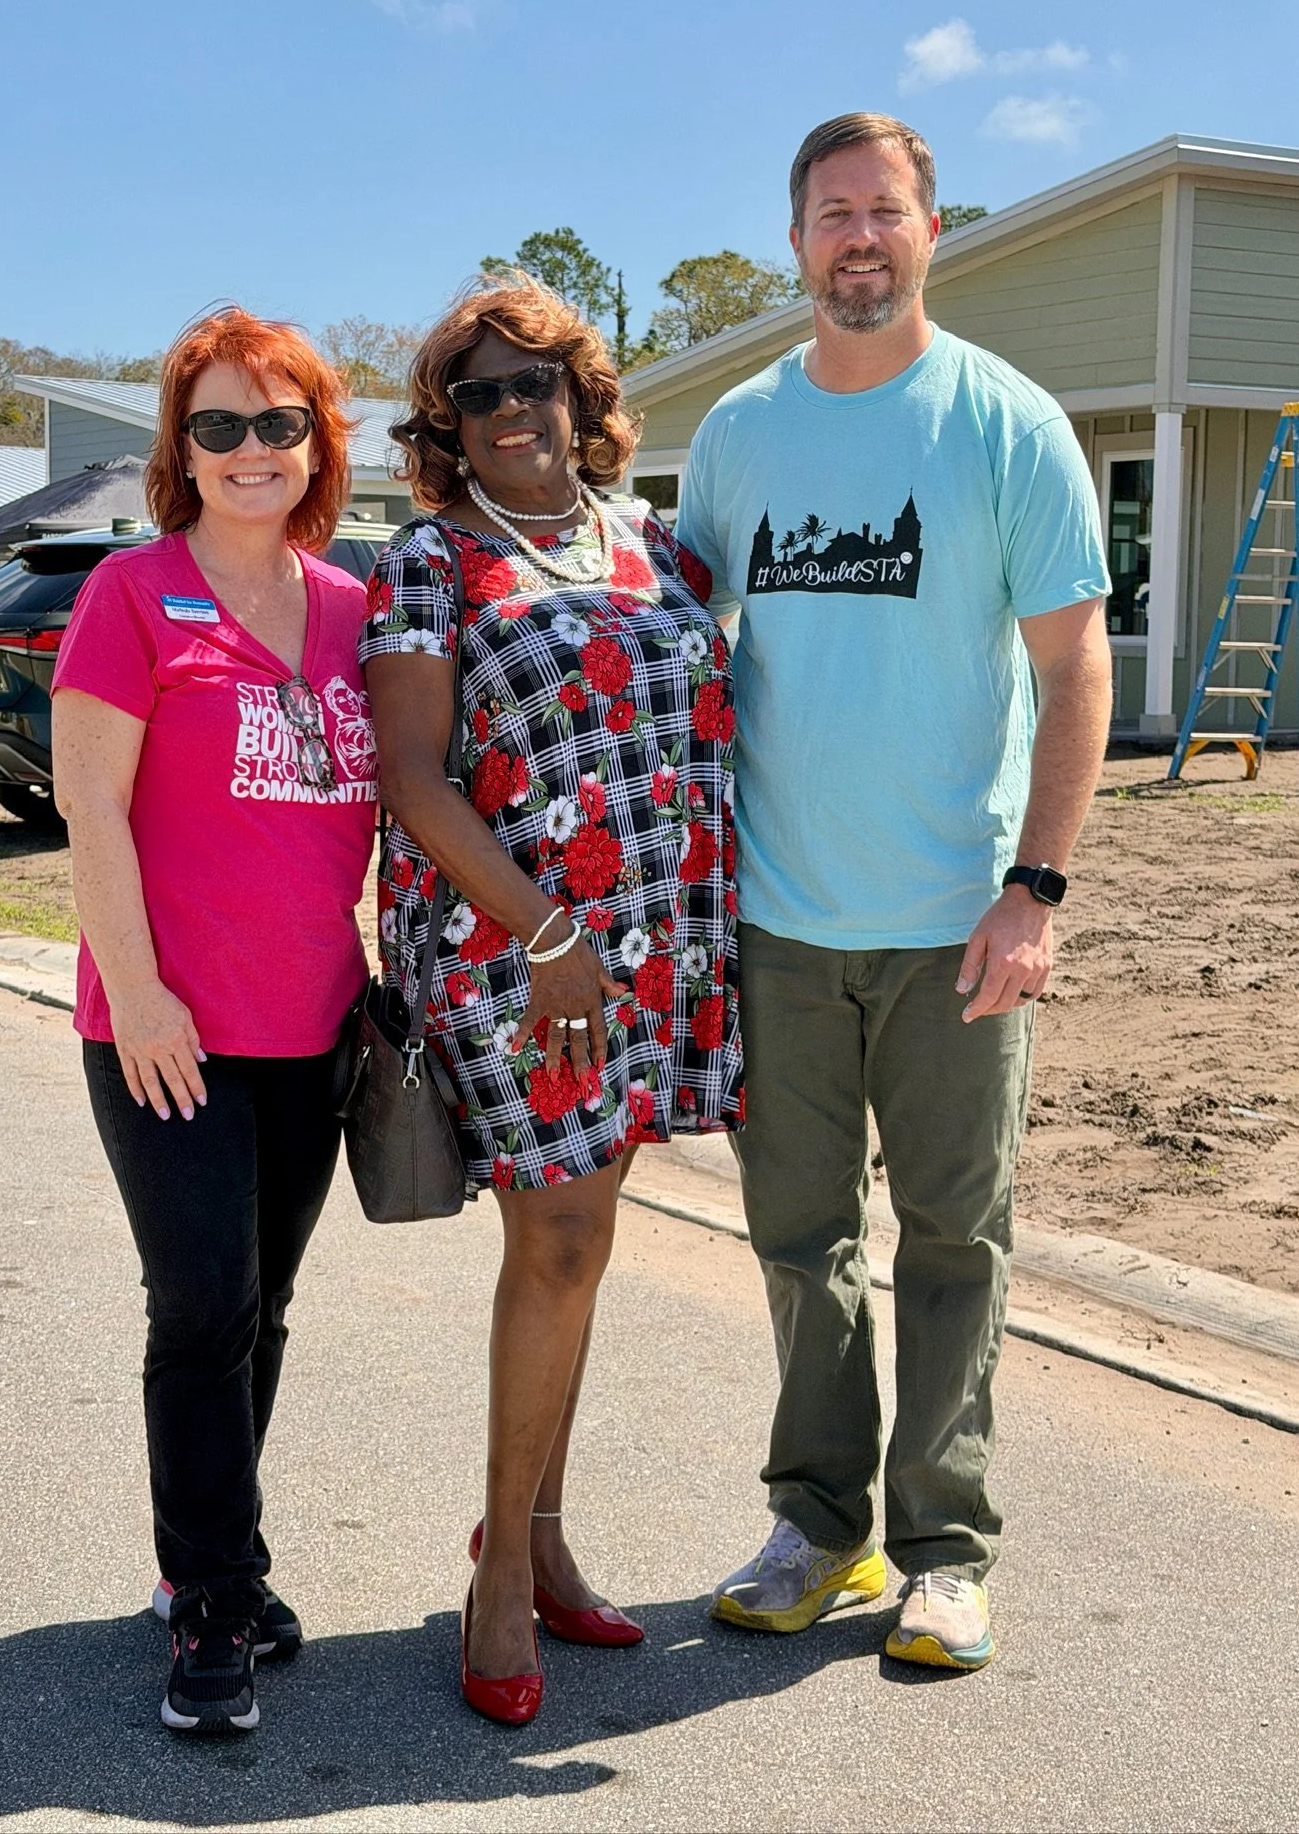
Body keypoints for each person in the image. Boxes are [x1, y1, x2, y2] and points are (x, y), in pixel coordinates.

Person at [677, 113, 1112, 1671]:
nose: (859, 236)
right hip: (781, 925)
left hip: (954, 932)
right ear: (793, 241)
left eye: (886, 210)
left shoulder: (1006, 425)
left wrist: (1034, 889)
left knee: (952, 1242)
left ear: (934, 232)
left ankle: (944, 1545)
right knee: (800, 1242)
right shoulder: (738, 434)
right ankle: (819, 1527)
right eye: (831, 212)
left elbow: (1075, 667)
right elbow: (680, 648)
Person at [363, 276, 742, 1725]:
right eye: (480, 392)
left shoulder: (660, 549)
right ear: (447, 426)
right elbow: (412, 775)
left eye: (538, 382)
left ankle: (535, 1529)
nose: (515, 410)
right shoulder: (431, 564)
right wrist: (549, 932)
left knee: (583, 1248)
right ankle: (502, 1581)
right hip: (518, 955)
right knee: (563, 1238)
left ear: (584, 395)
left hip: (658, 945)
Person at [52, 308, 376, 1733]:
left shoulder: (361, 612)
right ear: (181, 451)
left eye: (280, 423)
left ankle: (226, 1554)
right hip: (164, 1027)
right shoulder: (132, 595)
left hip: (312, 1025)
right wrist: (142, 997)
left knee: (269, 1305)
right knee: (202, 1305)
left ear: (319, 445)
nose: (253, 451)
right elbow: (90, 811)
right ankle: (207, 1601)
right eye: (220, 426)